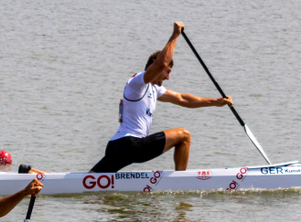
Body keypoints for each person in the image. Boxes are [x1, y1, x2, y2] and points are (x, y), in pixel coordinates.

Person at [90, 22, 233, 172]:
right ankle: (181, 181)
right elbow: (161, 64)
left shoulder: (154, 89)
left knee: (89, 182)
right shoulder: (137, 83)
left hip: (116, 147)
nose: (168, 77)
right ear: (155, 66)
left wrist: (216, 102)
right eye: (167, 71)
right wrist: (175, 35)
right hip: (131, 144)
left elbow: (183, 99)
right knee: (184, 136)